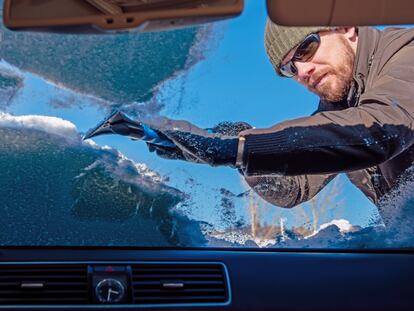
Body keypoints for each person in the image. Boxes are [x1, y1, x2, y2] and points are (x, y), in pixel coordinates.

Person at [85, 21, 414, 209]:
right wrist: (224, 147)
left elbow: (379, 130)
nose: (303, 70)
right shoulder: (340, 106)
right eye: (289, 67)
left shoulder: (406, 53)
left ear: (347, 27)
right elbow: (294, 188)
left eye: (306, 48)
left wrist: (242, 147)